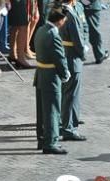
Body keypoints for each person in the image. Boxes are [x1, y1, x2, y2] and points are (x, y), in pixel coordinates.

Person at [34, 5, 70, 155]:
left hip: (41, 74)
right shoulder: (53, 35)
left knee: (42, 111)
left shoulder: (41, 30)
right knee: (52, 111)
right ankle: (51, 142)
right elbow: (59, 58)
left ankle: (42, 139)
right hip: (51, 77)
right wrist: (65, 73)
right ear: (60, 20)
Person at [58, 0, 88, 142]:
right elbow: (77, 38)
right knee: (71, 94)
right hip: (72, 57)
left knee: (68, 92)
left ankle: (70, 121)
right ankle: (68, 127)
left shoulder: (60, 10)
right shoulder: (70, 14)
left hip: (66, 54)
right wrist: (83, 53)